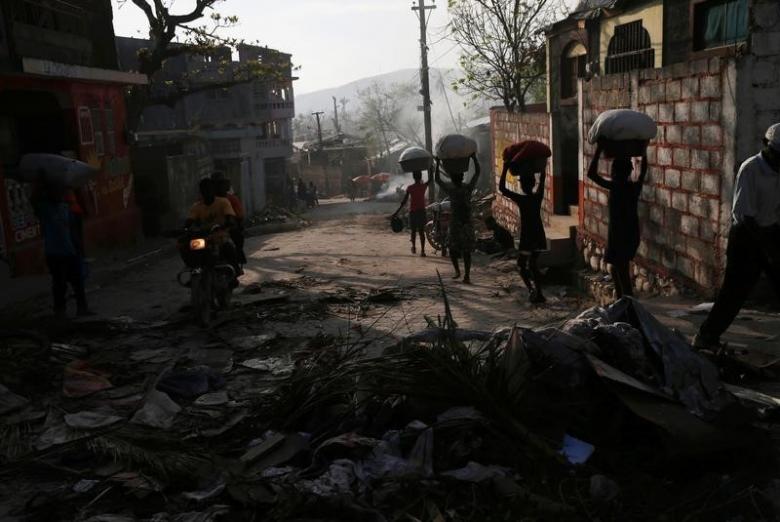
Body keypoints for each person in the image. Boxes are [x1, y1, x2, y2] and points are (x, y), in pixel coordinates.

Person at [693, 124, 780, 350]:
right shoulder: (751, 168)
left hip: (770, 230)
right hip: (747, 237)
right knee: (734, 293)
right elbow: (744, 214)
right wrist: (766, 250)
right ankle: (706, 336)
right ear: (766, 146)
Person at [587, 138, 648, 299]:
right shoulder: (633, 187)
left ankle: (628, 307)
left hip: (620, 236)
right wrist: (644, 150)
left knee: (621, 272)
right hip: (628, 235)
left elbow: (591, 174)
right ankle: (622, 302)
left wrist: (599, 149)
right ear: (628, 171)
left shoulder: (616, 186)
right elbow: (643, 172)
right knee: (616, 269)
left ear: (615, 172)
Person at [499, 141, 551, 303]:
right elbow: (542, 178)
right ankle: (539, 292)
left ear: (522, 185)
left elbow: (502, 188)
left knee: (522, 265)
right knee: (533, 264)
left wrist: (506, 166)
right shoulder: (537, 197)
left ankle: (532, 290)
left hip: (528, 235)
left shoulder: (522, 199)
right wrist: (543, 165)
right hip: (538, 233)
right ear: (533, 183)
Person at [33, 183, 91, 318]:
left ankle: (82, 308)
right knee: (60, 284)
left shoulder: (65, 208)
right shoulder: (45, 209)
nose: (60, 195)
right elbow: (33, 201)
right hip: (54, 253)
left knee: (78, 282)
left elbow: (72, 231)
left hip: (70, 251)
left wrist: (79, 250)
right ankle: (60, 311)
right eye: (57, 192)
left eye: (60, 192)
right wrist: (40, 182)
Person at [434, 153, 481, 283]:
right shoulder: (467, 188)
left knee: (453, 249)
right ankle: (466, 275)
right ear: (461, 177)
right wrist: (474, 158)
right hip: (466, 222)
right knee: (466, 251)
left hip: (456, 223)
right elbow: (477, 173)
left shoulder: (451, 190)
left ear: (454, 179)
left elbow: (437, 179)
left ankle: (458, 272)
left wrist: (438, 163)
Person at [184, 178, 240, 282]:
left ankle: (235, 272)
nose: (206, 192)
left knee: (229, 247)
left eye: (209, 189)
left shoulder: (223, 202)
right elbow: (190, 219)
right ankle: (194, 271)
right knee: (188, 247)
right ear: (201, 192)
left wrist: (227, 223)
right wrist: (185, 228)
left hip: (221, 235)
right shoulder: (197, 206)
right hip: (204, 237)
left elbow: (230, 216)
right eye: (204, 190)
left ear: (213, 190)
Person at [393, 168, 431, 256]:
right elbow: (430, 180)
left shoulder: (410, 188)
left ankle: (414, 247)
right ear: (421, 177)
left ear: (414, 177)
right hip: (421, 211)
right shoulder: (423, 186)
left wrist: (396, 212)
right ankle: (422, 251)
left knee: (413, 231)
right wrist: (433, 169)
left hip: (413, 212)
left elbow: (404, 201)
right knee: (422, 232)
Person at [212, 172, 246, 265]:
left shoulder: (231, 199)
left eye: (221, 184)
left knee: (236, 240)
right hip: (210, 231)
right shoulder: (204, 201)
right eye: (216, 185)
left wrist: (235, 224)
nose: (218, 187)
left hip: (228, 230)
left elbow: (239, 216)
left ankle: (236, 263)